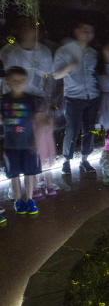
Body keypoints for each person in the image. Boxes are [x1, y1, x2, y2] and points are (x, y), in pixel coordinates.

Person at [0, 17, 55, 197]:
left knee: (38, 143)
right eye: (24, 28)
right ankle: (18, 187)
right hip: (13, 103)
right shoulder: (8, 51)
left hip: (35, 102)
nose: (28, 32)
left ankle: (40, 182)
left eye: (32, 28)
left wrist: (46, 104)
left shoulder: (45, 51)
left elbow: (48, 79)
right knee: (18, 141)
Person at [53, 22, 100, 174]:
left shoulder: (94, 53)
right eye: (84, 30)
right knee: (72, 130)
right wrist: (69, 67)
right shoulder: (65, 51)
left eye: (91, 31)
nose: (88, 34)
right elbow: (55, 74)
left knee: (89, 129)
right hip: (73, 96)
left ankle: (85, 160)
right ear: (76, 31)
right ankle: (66, 161)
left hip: (92, 95)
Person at [2, 67, 42, 216]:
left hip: (29, 144)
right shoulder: (4, 99)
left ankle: (30, 199)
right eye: (14, 81)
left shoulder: (30, 99)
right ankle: (18, 200)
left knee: (30, 173)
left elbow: (37, 121)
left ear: (26, 82)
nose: (18, 83)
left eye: (21, 81)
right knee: (14, 175)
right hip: (10, 145)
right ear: (7, 82)